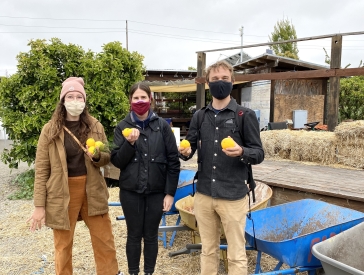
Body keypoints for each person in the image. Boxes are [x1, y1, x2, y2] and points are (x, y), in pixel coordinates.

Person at [27, 77, 123, 275]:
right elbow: (42, 168)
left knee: (104, 241)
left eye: (79, 96)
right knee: (63, 245)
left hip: (93, 189)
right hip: (62, 191)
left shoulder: (95, 126)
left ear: (84, 100)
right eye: (70, 96)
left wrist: (97, 156)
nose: (75, 100)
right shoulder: (50, 130)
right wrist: (39, 206)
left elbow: (107, 156)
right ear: (62, 100)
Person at [179, 60, 264, 275]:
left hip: (233, 196)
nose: (220, 83)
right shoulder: (200, 116)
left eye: (224, 79)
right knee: (208, 251)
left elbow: (258, 153)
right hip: (204, 194)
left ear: (232, 82)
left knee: (236, 253)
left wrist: (242, 152)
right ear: (208, 83)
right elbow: (190, 148)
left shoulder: (244, 115)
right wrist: (185, 152)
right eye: (215, 79)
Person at [110, 82, 180, 275]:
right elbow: (117, 161)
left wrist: (169, 193)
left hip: (156, 192)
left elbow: (173, 162)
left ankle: (149, 272)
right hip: (130, 192)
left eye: (143, 97)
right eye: (135, 98)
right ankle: (133, 272)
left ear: (150, 99)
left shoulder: (162, 127)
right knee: (133, 235)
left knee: (150, 236)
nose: (139, 101)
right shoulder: (122, 127)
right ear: (130, 101)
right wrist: (129, 144)